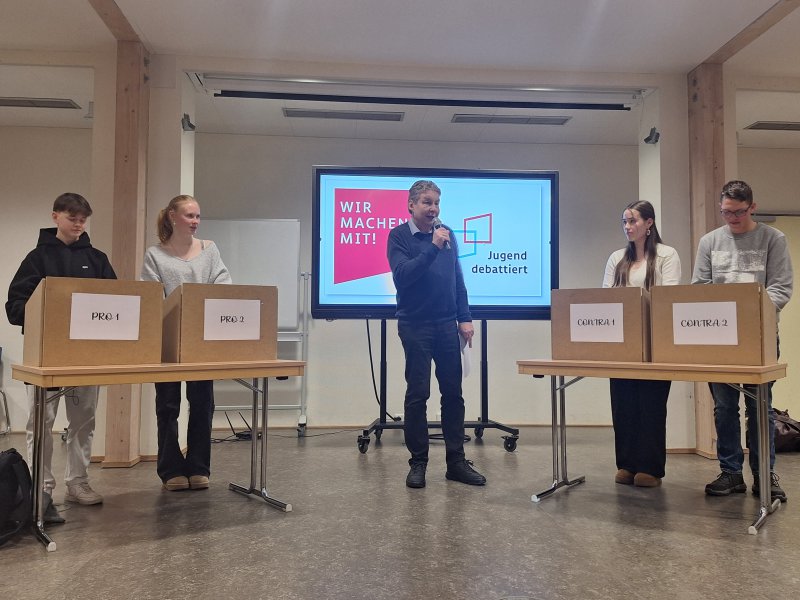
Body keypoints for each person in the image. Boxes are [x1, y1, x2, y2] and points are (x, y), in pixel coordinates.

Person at [6, 193, 117, 524]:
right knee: (40, 423)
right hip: (45, 355)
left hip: (88, 356)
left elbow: (116, 302)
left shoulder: (98, 259)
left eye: (83, 219)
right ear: (55, 216)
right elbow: (15, 306)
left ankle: (77, 483)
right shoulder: (36, 258)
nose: (79, 224)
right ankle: (41, 488)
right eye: (72, 218)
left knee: (84, 421)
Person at [692, 180, 793, 502]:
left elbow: (780, 288)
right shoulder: (710, 241)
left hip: (759, 338)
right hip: (718, 340)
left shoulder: (773, 239)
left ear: (752, 207)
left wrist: (749, 315)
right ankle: (731, 472)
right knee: (724, 408)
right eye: (726, 212)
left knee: (759, 407)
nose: (732, 219)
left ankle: (765, 474)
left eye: (738, 212)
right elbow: (700, 287)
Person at [387, 180, 485, 489]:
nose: (433, 208)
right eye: (427, 202)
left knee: (453, 394)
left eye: (437, 203)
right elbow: (403, 276)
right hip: (415, 326)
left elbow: (457, 280)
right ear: (411, 205)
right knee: (418, 395)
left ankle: (456, 462)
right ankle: (418, 463)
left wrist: (464, 318)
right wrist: (432, 247)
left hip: (446, 325)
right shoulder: (399, 236)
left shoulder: (447, 234)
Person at [141, 195, 231, 491]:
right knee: (168, 405)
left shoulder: (210, 250)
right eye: (190, 215)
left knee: (202, 403)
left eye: (197, 216)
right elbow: (151, 296)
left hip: (201, 340)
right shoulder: (155, 254)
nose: (195, 221)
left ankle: (198, 466)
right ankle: (170, 470)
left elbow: (223, 286)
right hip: (166, 342)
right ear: (172, 216)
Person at [602, 200, 682, 487]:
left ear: (649, 223)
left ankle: (650, 468)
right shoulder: (616, 258)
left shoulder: (667, 255)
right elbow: (606, 297)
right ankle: (626, 464)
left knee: (650, 405)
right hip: (622, 343)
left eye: (633, 221)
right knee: (623, 404)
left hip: (655, 342)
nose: (627, 226)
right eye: (624, 221)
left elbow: (668, 297)